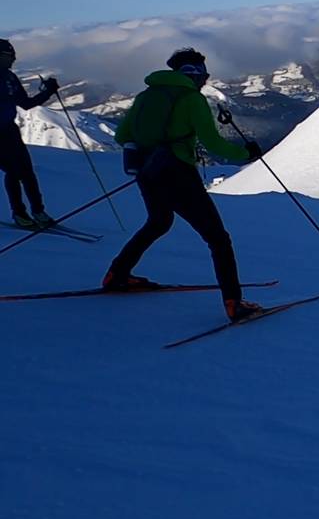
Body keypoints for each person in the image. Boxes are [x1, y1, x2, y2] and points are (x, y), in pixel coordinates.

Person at [102, 48, 265, 320]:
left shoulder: (146, 96)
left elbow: (122, 135)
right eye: (203, 74)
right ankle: (233, 303)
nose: (204, 79)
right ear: (196, 74)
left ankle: (116, 274)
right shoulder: (191, 99)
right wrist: (247, 153)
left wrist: (153, 148)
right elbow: (213, 142)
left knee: (158, 222)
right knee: (217, 238)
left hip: (147, 170)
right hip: (178, 172)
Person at [0, 39, 59, 228]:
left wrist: (48, 92)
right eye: (10, 57)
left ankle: (37, 211)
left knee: (26, 171)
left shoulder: (9, 77)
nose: (13, 61)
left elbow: (25, 103)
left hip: (9, 129)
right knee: (14, 171)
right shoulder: (8, 78)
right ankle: (20, 213)